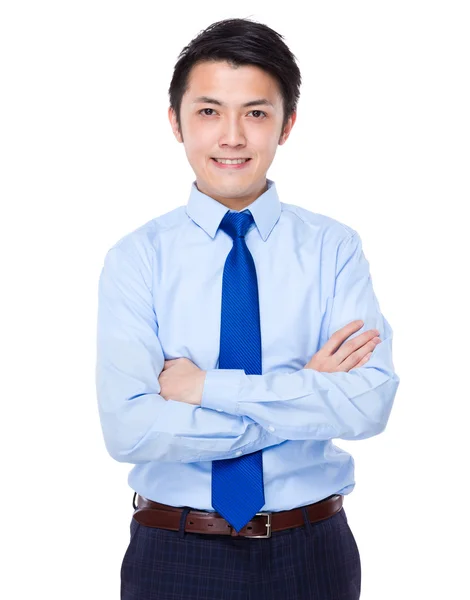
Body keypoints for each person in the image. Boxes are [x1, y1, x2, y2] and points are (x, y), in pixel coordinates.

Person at [95, 17, 400, 600]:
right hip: (174, 553)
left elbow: (367, 407)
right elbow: (130, 431)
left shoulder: (333, 249)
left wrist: (206, 388)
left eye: (255, 113)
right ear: (175, 123)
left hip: (314, 551)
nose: (231, 136)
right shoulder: (137, 258)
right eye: (208, 111)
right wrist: (304, 392)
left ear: (286, 125)